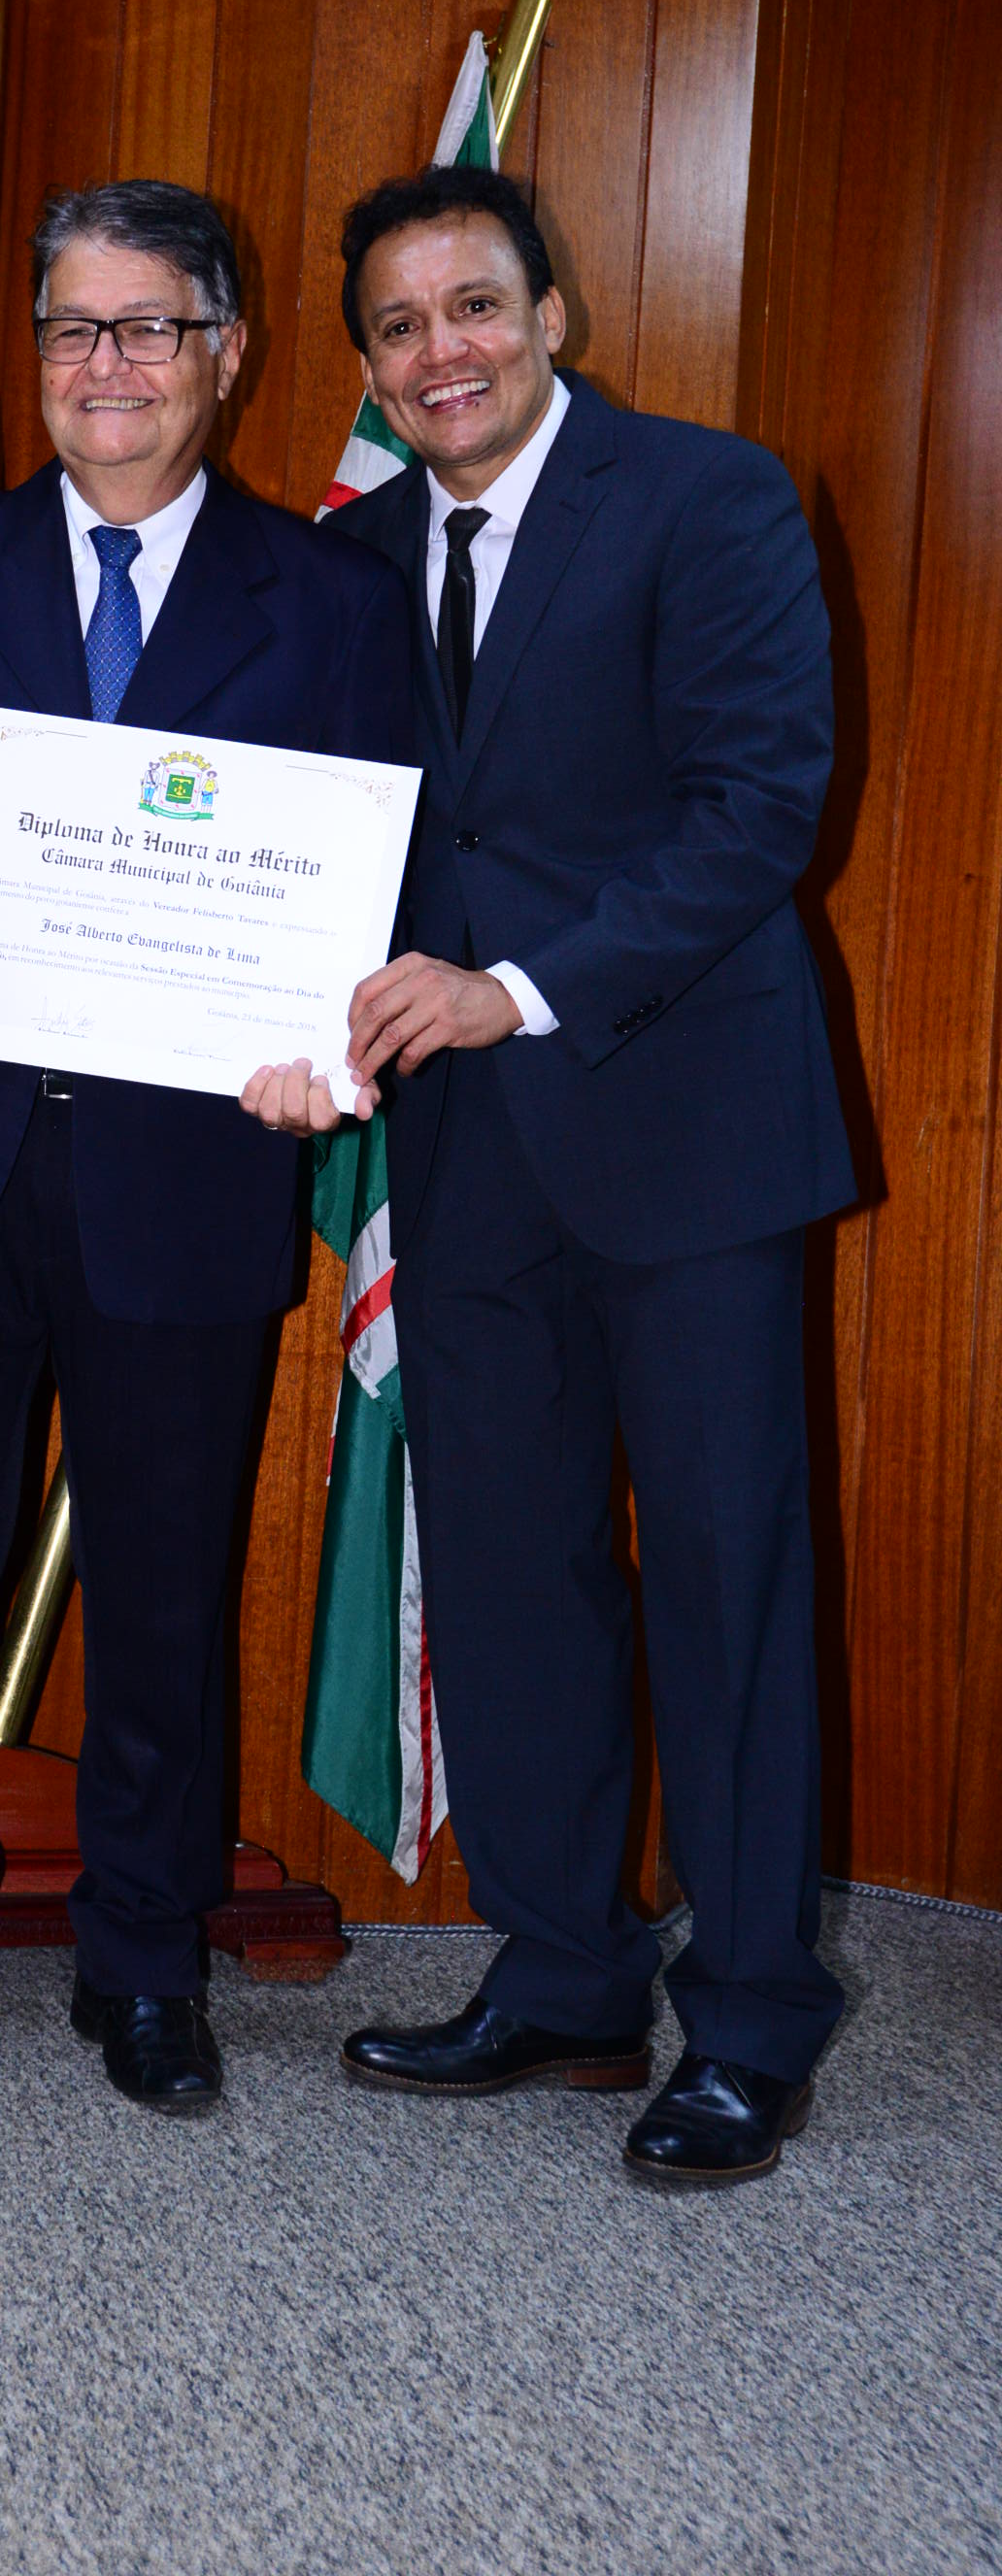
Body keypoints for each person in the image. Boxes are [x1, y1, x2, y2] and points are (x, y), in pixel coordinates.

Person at [0, 180, 411, 2114]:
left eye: (149, 327)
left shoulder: (330, 594)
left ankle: (145, 1955)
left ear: (226, 354)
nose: (106, 365)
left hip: (192, 1164)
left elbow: (377, 870)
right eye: (71, 327)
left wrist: (334, 1051)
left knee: (161, 1583)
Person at [265, 162, 853, 2181]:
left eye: (472, 306)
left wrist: (510, 988)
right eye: (399, 325)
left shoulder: (706, 498)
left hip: (686, 1129)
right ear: (368, 366)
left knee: (725, 1576)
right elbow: (316, 834)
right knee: (512, 1571)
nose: (440, 350)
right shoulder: (351, 559)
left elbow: (755, 808)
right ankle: (568, 1974)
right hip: (464, 1152)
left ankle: (752, 2015)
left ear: (550, 315)